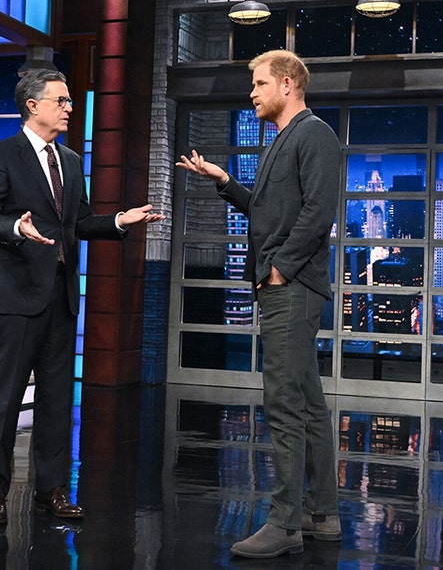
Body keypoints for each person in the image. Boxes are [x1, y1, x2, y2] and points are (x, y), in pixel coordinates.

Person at [0, 68, 163, 526]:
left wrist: (118, 220)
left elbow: (76, 223)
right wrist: (15, 228)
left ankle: (51, 489)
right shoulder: (1, 153)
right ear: (32, 105)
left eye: (71, 101)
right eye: (61, 100)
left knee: (57, 399)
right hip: (16, 297)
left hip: (60, 297)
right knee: (6, 400)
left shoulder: (72, 161)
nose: (70, 108)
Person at [176, 49, 342, 558]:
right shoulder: (282, 141)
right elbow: (269, 210)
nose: (252, 92)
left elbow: (319, 211)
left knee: (283, 404)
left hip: (290, 287)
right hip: (287, 284)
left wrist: (279, 267)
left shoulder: (314, 134)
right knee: (308, 403)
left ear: (288, 84)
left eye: (259, 83)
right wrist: (224, 182)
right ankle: (323, 514)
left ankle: (286, 523)